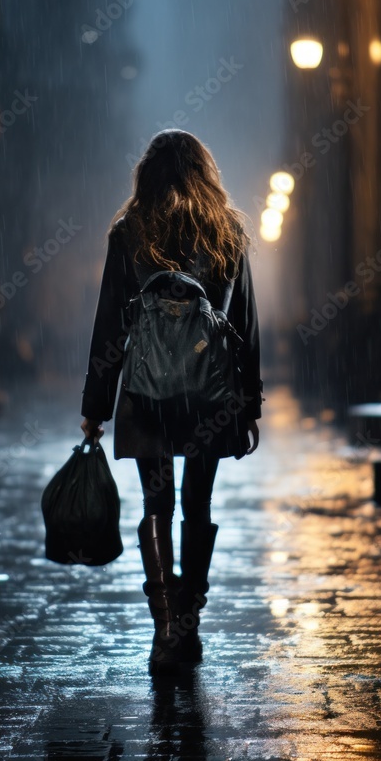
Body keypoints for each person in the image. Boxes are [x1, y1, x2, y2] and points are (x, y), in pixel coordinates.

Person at [80, 129, 263, 674]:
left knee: (156, 504)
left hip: (146, 393)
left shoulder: (129, 230)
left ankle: (164, 630)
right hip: (209, 396)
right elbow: (245, 326)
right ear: (204, 172)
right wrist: (249, 403)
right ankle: (191, 620)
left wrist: (97, 404)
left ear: (147, 176)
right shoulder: (226, 230)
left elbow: (110, 323)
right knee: (198, 503)